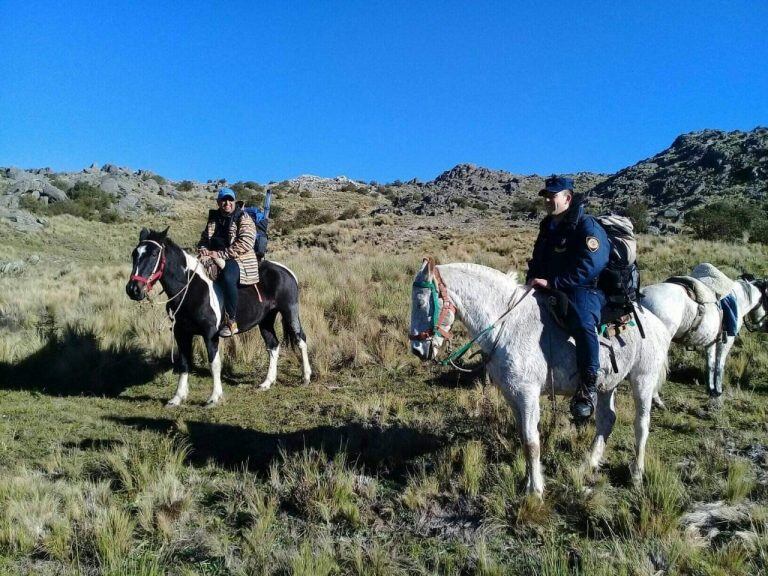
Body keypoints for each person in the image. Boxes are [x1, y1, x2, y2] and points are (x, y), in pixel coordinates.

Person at [526, 176, 610, 422]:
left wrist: (555, 283)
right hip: (550, 286)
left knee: (583, 323)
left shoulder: (587, 226)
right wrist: (531, 279)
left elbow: (591, 265)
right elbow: (538, 258)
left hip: (584, 289)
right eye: (546, 196)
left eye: (553, 195)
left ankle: (587, 386)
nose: (548, 200)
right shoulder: (547, 226)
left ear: (568, 198)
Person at [197, 187, 260, 337]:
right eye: (224, 200)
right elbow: (203, 240)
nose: (227, 203)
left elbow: (246, 242)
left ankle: (232, 321)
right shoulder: (213, 219)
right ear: (218, 202)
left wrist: (220, 254)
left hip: (238, 258)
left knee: (227, 277)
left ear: (234, 201)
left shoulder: (242, 217)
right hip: (212, 256)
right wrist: (203, 249)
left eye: (230, 200)